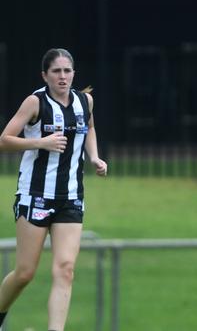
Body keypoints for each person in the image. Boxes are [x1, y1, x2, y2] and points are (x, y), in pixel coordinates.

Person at [0, 48, 107, 330]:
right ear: (45, 75)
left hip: (71, 197)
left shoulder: (86, 101)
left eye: (67, 71)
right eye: (56, 71)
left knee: (66, 269)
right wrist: (40, 142)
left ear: (74, 73)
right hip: (35, 195)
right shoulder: (35, 103)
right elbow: (5, 140)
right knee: (25, 273)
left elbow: (89, 129)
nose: (62, 76)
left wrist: (95, 156)